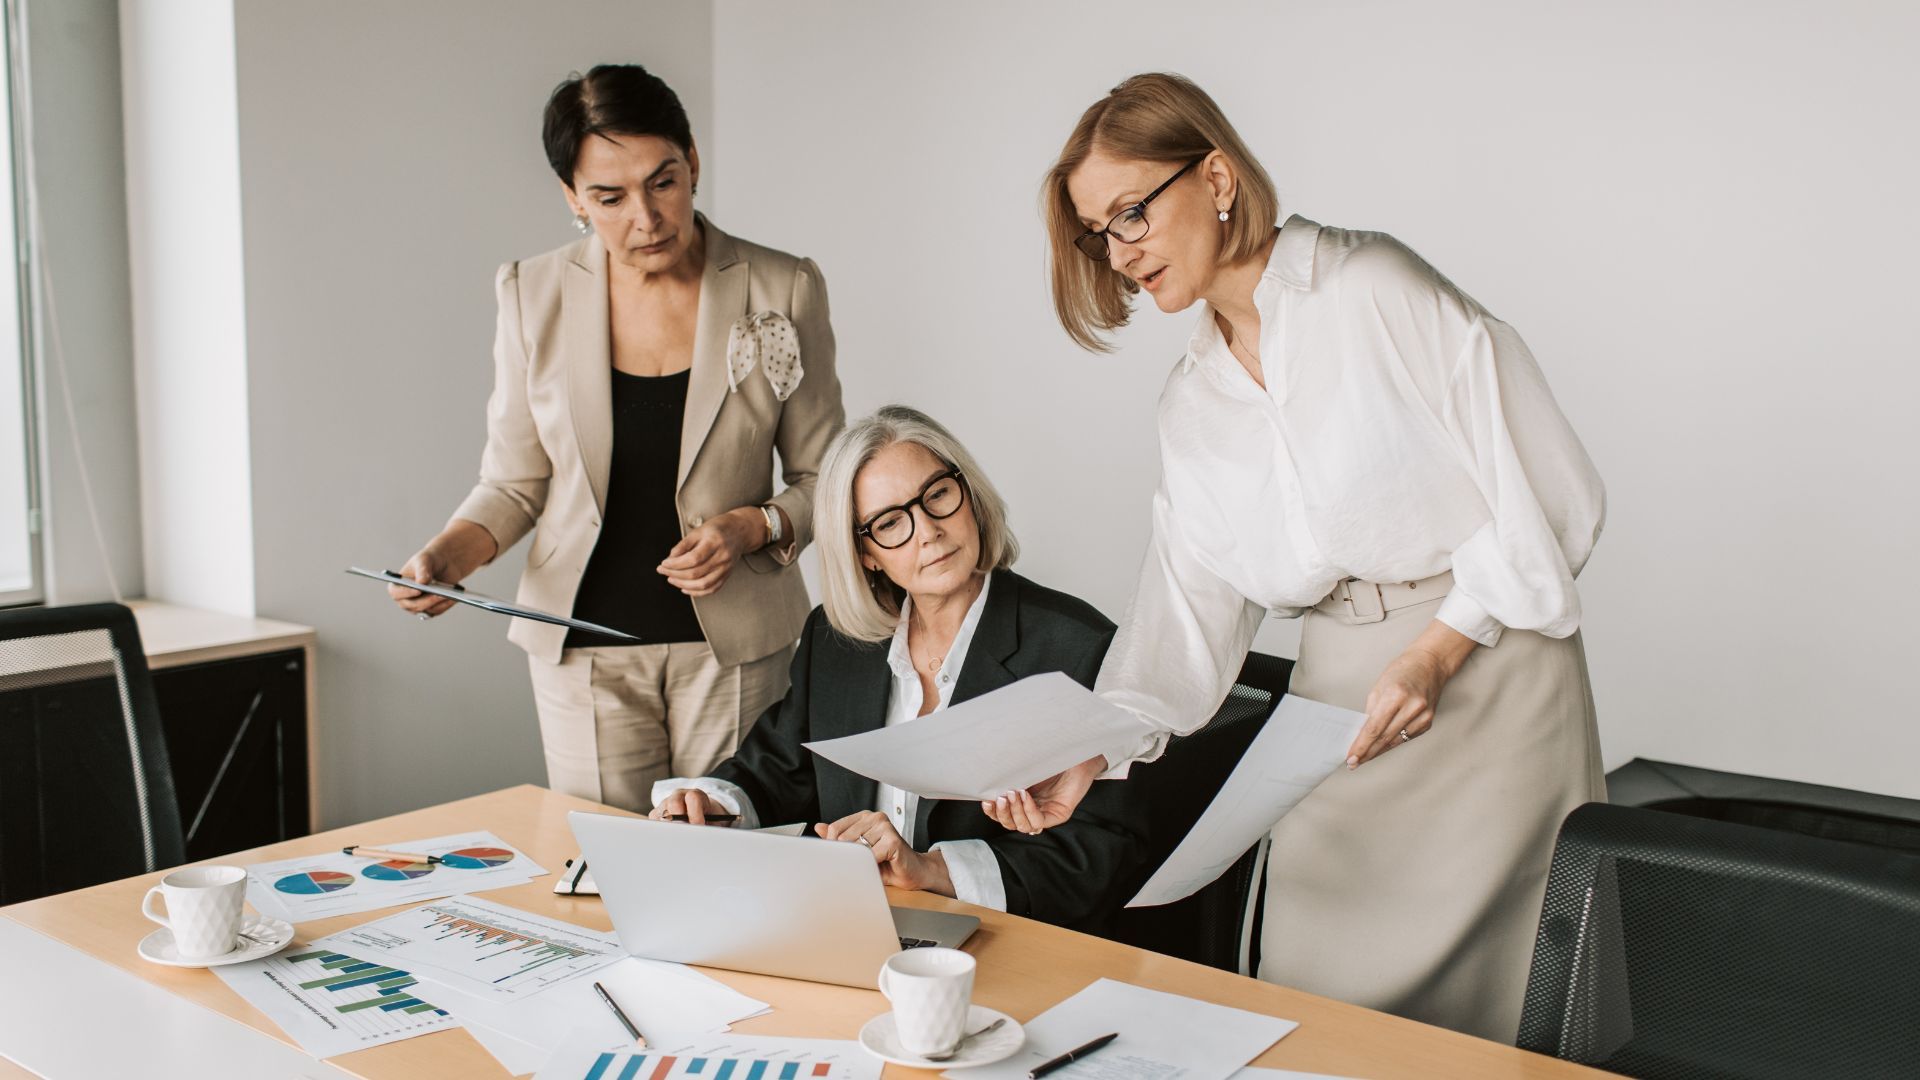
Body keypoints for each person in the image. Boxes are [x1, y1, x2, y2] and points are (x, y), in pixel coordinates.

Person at [988, 73, 1607, 1040]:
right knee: (1311, 997)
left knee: (1505, 1010)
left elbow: (1554, 490)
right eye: (1099, 232)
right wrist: (1091, 753)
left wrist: (1439, 650)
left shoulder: (1373, 287)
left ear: (1219, 176)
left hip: (1495, 676)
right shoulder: (1189, 402)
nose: (1120, 251)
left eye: (1132, 212)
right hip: (1342, 700)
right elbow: (1184, 620)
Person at [390, 64, 843, 812]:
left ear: (692, 161)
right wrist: (445, 555)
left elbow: (825, 475)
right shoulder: (529, 292)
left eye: (662, 182)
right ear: (572, 197)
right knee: (606, 881)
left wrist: (749, 526)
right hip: (579, 648)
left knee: (734, 865)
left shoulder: (781, 286)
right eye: (609, 196)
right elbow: (514, 482)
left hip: (735, 648)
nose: (646, 216)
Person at [650, 406, 1145, 933]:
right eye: (890, 523)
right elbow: (777, 770)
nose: (928, 531)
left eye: (937, 496)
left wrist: (933, 870)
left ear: (969, 496)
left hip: (1006, 940)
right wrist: (710, 805)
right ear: (865, 553)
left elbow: (1106, 851)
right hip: (846, 924)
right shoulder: (836, 640)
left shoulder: (1078, 647)